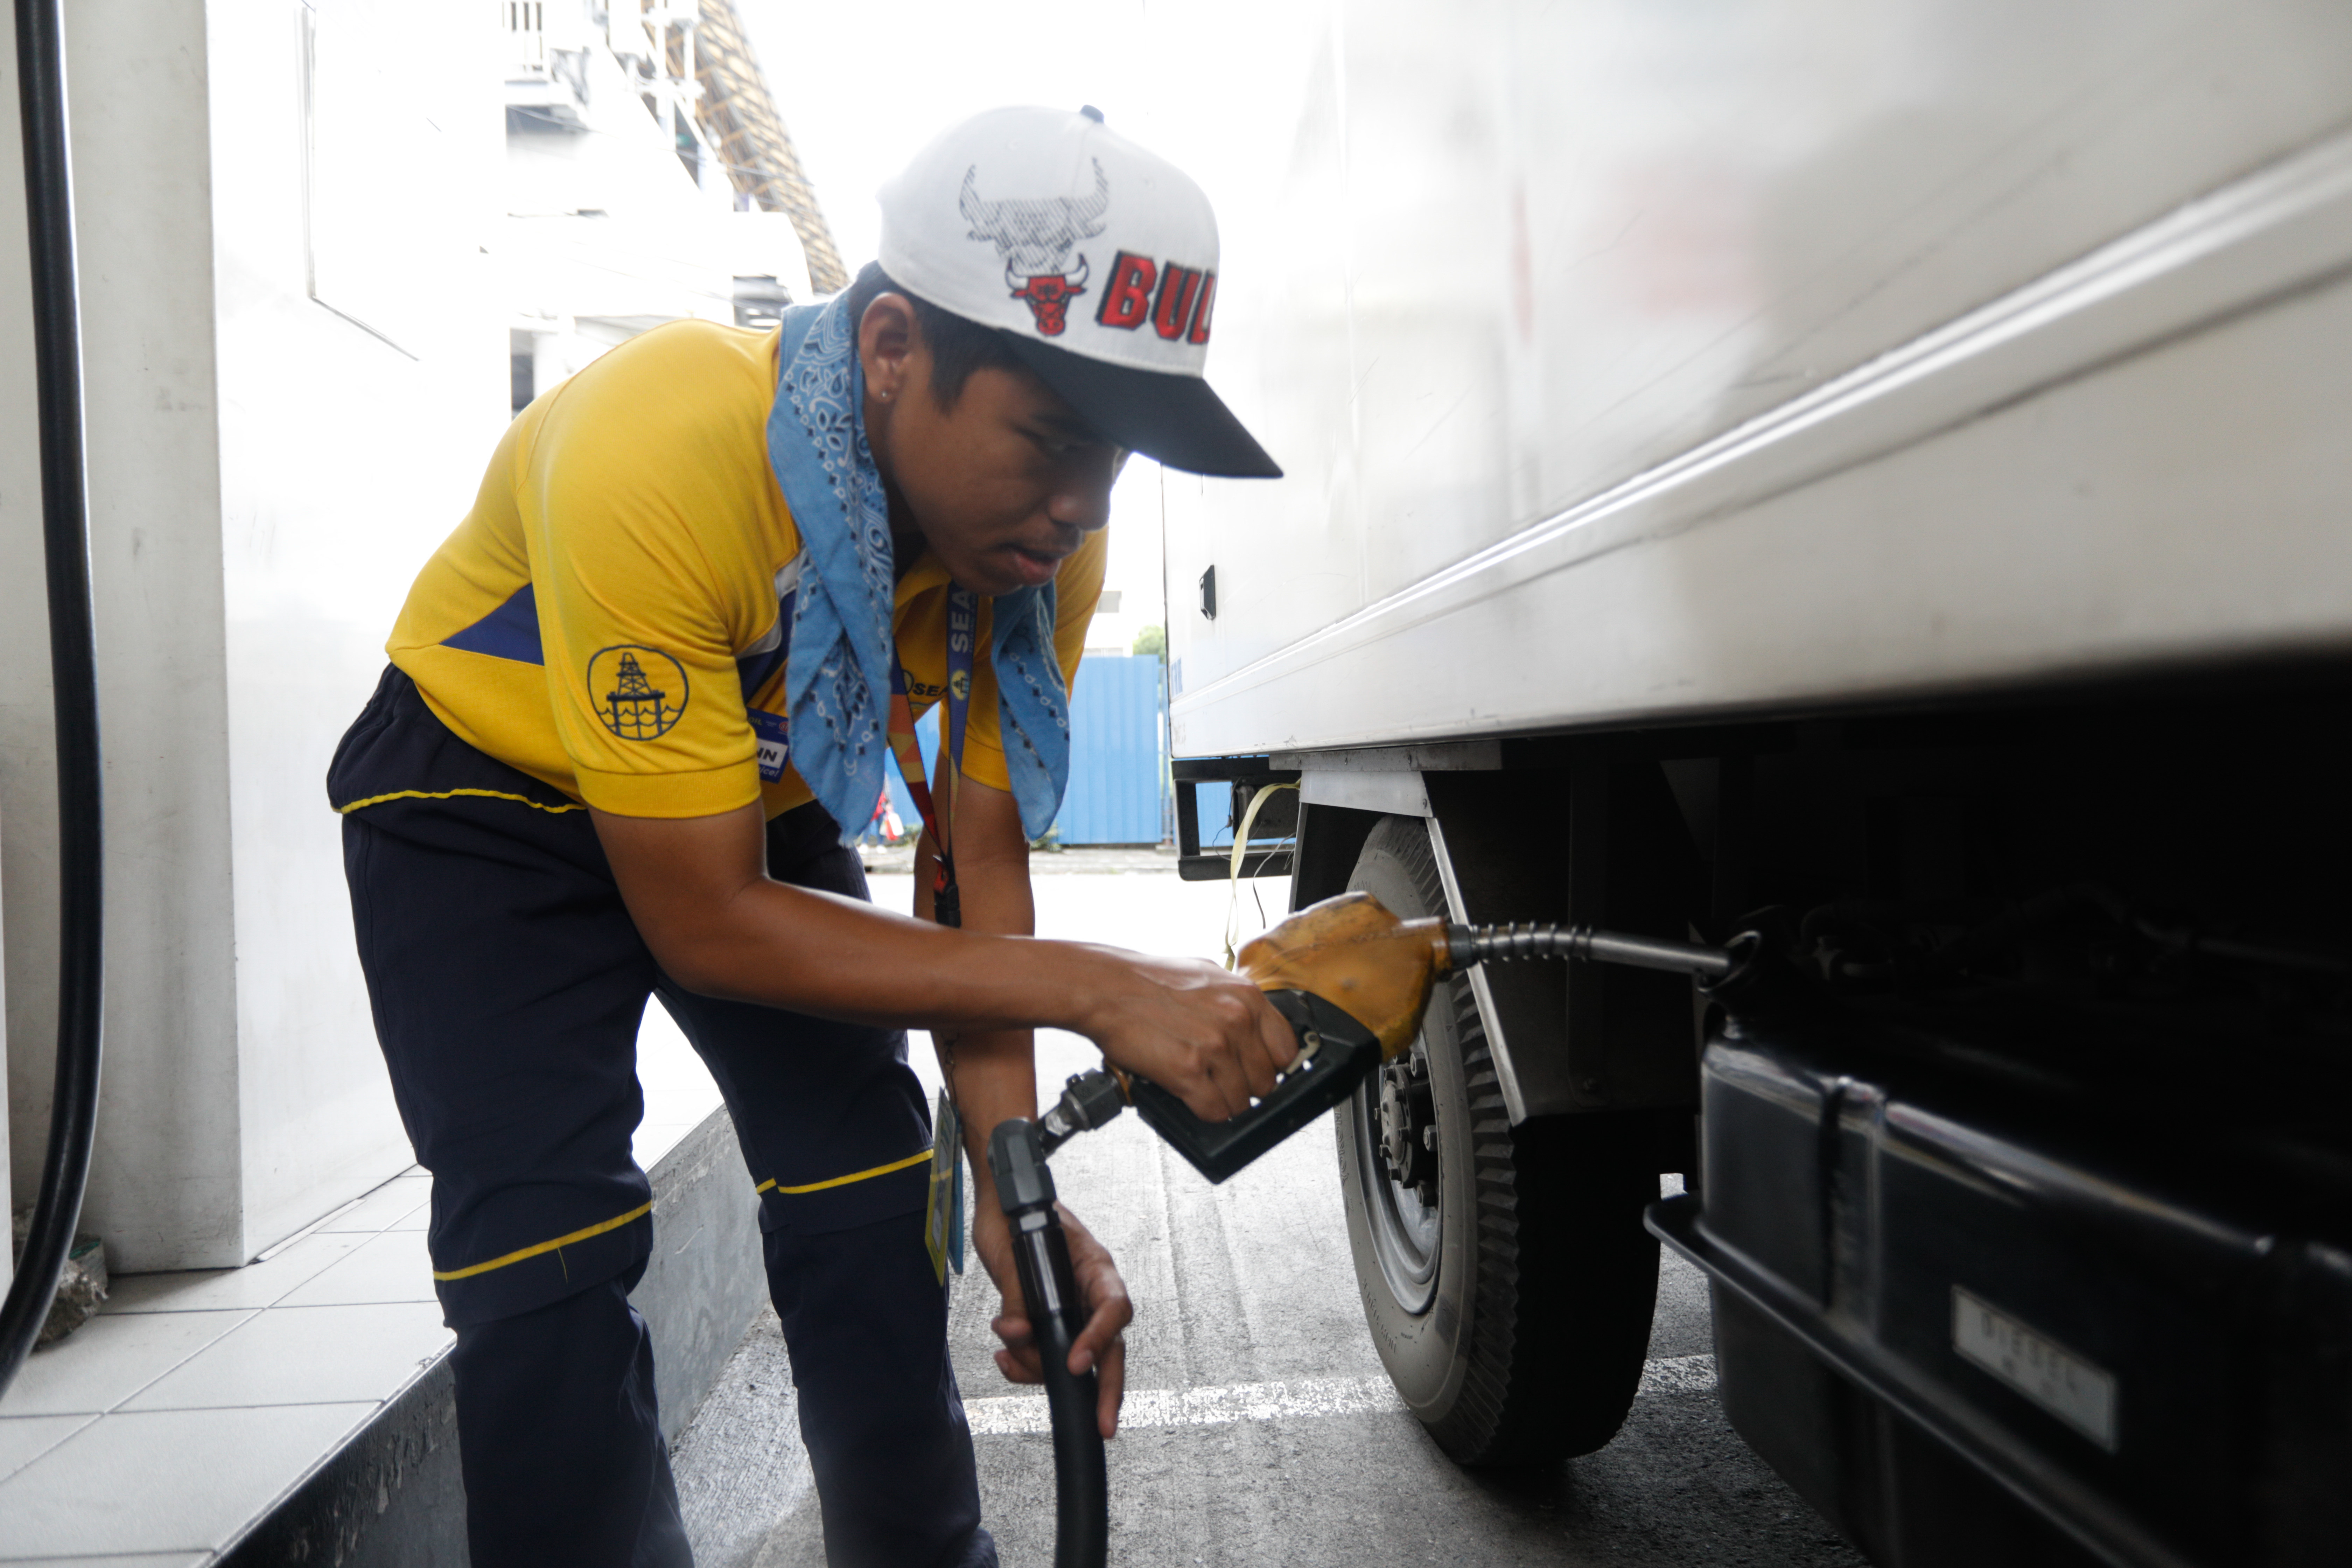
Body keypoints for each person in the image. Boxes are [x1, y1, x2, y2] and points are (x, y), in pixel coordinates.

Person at [327, 106, 1287, 1568]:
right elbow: (706, 921)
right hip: (477, 802)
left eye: (1119, 459)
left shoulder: (1030, 547)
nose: (1085, 504)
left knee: (861, 1182)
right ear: (893, 349)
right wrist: (1109, 986)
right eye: (1050, 437)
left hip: (749, 796)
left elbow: (974, 879)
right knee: (545, 1252)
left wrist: (1012, 1199)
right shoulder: (664, 442)